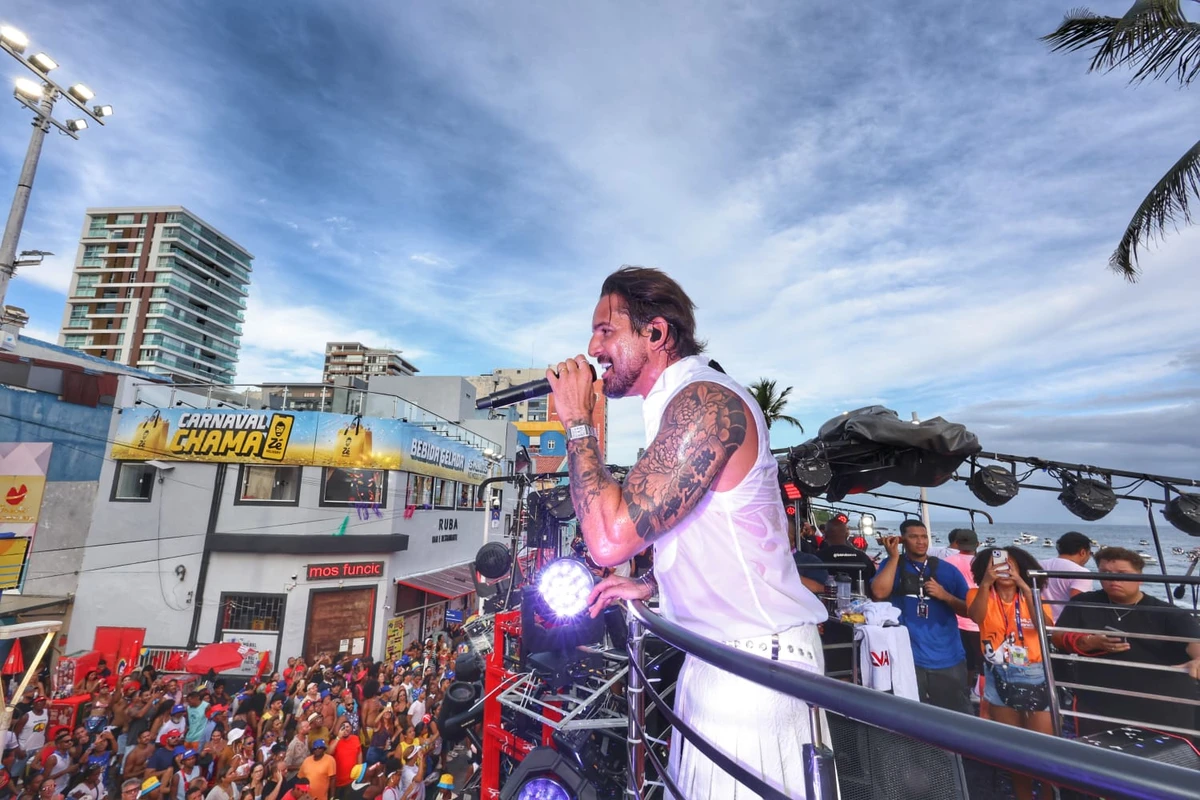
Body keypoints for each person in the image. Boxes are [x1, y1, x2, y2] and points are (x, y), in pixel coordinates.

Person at [550, 266, 828, 799]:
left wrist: (578, 421)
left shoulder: (705, 404)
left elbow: (608, 541)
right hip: (721, 663)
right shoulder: (681, 407)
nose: (591, 346)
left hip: (755, 676)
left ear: (656, 334)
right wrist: (656, 585)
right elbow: (719, 532)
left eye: (606, 330)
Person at [1053, 547, 1200, 736]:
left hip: (1159, 706)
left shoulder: (1167, 613)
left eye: (1123, 574)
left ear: (1139, 577)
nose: (1113, 579)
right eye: (1105, 573)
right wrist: (1087, 642)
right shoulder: (1083, 602)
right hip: (1097, 702)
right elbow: (1057, 637)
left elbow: (1194, 641)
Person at [967, 547, 1054, 800]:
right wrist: (986, 583)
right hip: (997, 674)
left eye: (1010, 565)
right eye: (998, 565)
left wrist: (1025, 587)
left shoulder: (1032, 595)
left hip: (1033, 672)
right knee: (1013, 747)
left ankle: (1049, 796)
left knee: (1045, 748)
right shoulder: (978, 593)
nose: (1004, 569)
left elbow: (1045, 627)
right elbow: (976, 617)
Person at [871, 519, 971, 713]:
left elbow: (969, 610)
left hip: (947, 657)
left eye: (924, 536)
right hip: (907, 658)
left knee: (955, 718)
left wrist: (945, 596)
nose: (920, 541)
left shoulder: (947, 570)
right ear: (902, 540)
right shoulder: (892, 565)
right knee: (909, 716)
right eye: (913, 537)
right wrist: (892, 558)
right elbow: (878, 593)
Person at [942, 529, 982, 693]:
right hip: (977, 615)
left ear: (957, 543)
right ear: (977, 544)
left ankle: (960, 686)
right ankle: (976, 688)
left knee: (959, 655)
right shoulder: (982, 562)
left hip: (953, 613)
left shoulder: (947, 561)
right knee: (980, 658)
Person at [1038, 531, 1094, 622]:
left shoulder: (1038, 565)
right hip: (1062, 628)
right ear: (1083, 552)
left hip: (1037, 622)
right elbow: (1078, 607)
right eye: (1090, 553)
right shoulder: (1081, 572)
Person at [816, 516, 877, 588]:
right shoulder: (862, 557)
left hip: (825, 596)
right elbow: (873, 579)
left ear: (825, 535)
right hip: (860, 596)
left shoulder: (817, 558)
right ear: (846, 534)